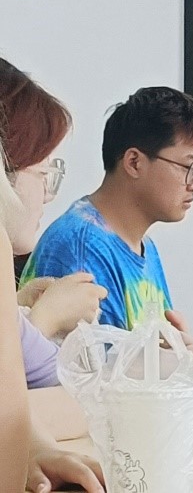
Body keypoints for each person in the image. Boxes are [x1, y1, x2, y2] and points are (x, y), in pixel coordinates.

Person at [22, 86, 193, 362]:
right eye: (188, 168)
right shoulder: (81, 246)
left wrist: (180, 355)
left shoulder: (142, 245)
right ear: (134, 162)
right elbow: (86, 379)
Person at [1, 93, 106, 490]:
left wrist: (35, 444)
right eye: (43, 171)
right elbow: (89, 395)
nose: (48, 193)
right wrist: (42, 320)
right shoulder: (81, 241)